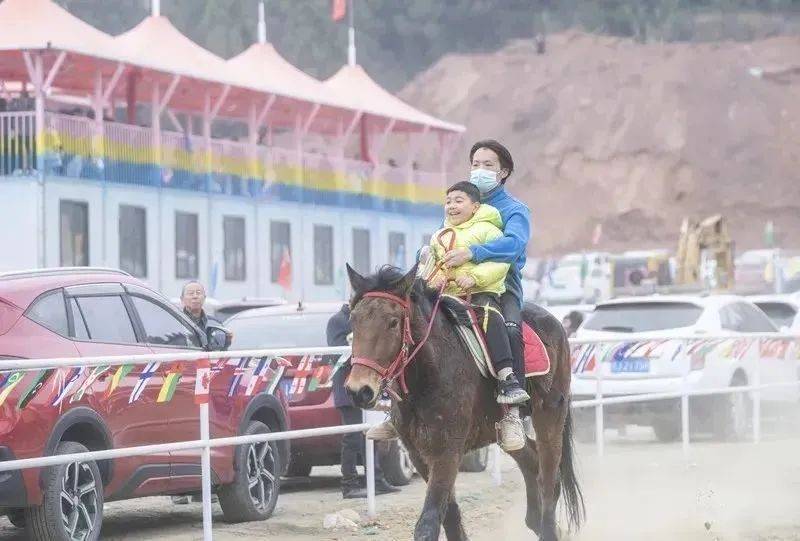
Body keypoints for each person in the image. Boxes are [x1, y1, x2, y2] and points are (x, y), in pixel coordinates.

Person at [426, 181, 529, 404]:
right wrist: (435, 279)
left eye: (458, 201)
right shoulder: (439, 236)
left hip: (479, 292)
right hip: (447, 295)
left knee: (491, 317)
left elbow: (500, 264)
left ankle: (506, 377)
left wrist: (474, 278)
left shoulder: (489, 230)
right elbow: (431, 264)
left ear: (475, 206)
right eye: (448, 201)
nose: (451, 206)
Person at [328, 303, 400, 499]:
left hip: (367, 385)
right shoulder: (337, 321)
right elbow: (334, 354)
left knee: (371, 435)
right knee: (351, 436)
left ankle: (376, 479)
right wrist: (356, 347)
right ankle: (348, 484)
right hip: (348, 386)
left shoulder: (369, 320)